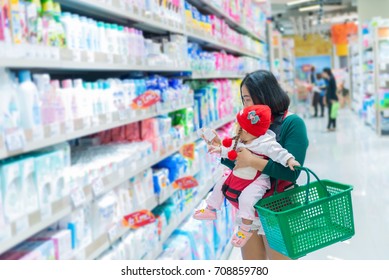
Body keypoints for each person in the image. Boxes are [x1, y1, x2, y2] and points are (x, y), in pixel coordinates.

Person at [201, 70, 309, 260]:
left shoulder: (292, 123)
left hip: (278, 207)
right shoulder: (248, 123)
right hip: (249, 209)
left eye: (249, 98)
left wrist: (253, 161)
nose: (246, 105)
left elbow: (293, 173)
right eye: (244, 100)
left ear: (265, 94)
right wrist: (223, 150)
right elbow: (238, 164)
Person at [193, 105, 300, 248]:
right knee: (220, 184)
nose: (237, 130)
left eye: (241, 128)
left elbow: (279, 152)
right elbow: (230, 150)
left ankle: (245, 229)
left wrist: (289, 160)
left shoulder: (266, 143)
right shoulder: (242, 139)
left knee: (246, 199)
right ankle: (211, 208)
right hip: (239, 175)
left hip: (258, 181)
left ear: (252, 131)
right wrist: (219, 149)